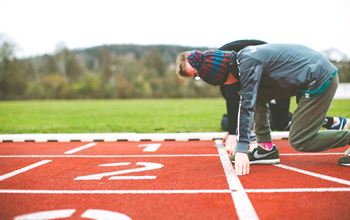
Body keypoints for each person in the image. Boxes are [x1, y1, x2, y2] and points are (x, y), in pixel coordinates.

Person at [181, 43, 350, 175]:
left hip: (319, 78)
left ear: (224, 75)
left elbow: (246, 106)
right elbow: (250, 100)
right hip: (310, 73)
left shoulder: (248, 64)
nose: (226, 86)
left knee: (300, 140)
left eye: (222, 82)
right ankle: (266, 148)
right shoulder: (242, 60)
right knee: (258, 95)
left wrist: (241, 149)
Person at [176, 40, 280, 165]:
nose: (200, 76)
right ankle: (260, 139)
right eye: (195, 76)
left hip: (276, 71)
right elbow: (234, 100)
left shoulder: (220, 61)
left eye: (197, 73)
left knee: (280, 121)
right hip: (263, 77)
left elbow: (236, 99)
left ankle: (266, 137)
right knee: (235, 115)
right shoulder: (218, 68)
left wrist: (233, 134)